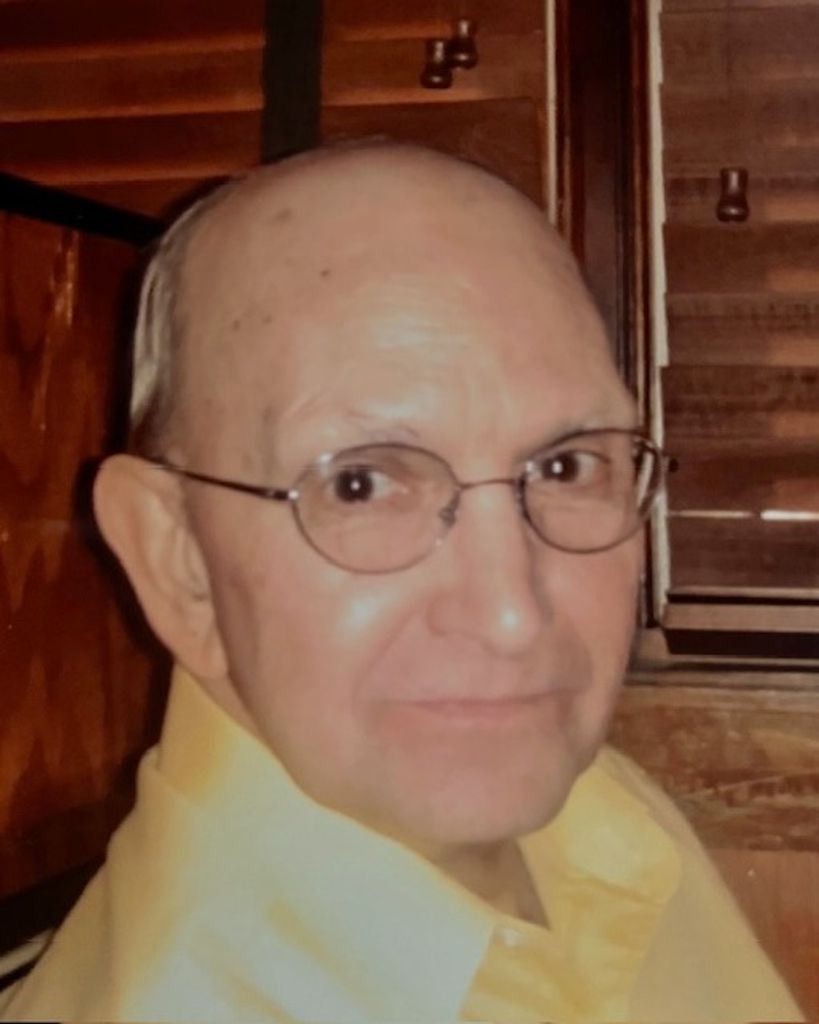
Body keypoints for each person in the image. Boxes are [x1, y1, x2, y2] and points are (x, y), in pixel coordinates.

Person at [1, 142, 802, 1022]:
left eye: (567, 466)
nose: (510, 615)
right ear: (177, 559)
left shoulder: (603, 817)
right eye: (361, 484)